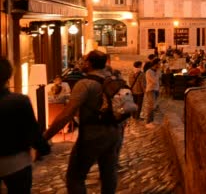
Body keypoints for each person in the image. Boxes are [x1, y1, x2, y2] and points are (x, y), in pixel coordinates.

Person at [43, 50, 122, 193]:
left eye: (84, 60)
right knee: (109, 174)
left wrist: (46, 136)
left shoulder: (85, 84)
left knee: (75, 177)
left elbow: (67, 113)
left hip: (92, 135)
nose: (82, 63)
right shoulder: (112, 80)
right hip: (114, 133)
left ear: (89, 63)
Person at [0, 57, 51, 193]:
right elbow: (32, 130)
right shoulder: (19, 101)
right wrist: (43, 148)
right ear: (9, 76)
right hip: (16, 161)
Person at [142, 58, 161, 128]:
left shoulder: (156, 71)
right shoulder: (149, 72)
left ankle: (152, 121)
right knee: (151, 106)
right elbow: (155, 81)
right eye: (159, 63)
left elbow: (159, 79)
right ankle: (148, 122)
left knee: (154, 106)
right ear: (155, 64)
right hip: (150, 90)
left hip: (156, 90)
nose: (160, 65)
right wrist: (158, 73)